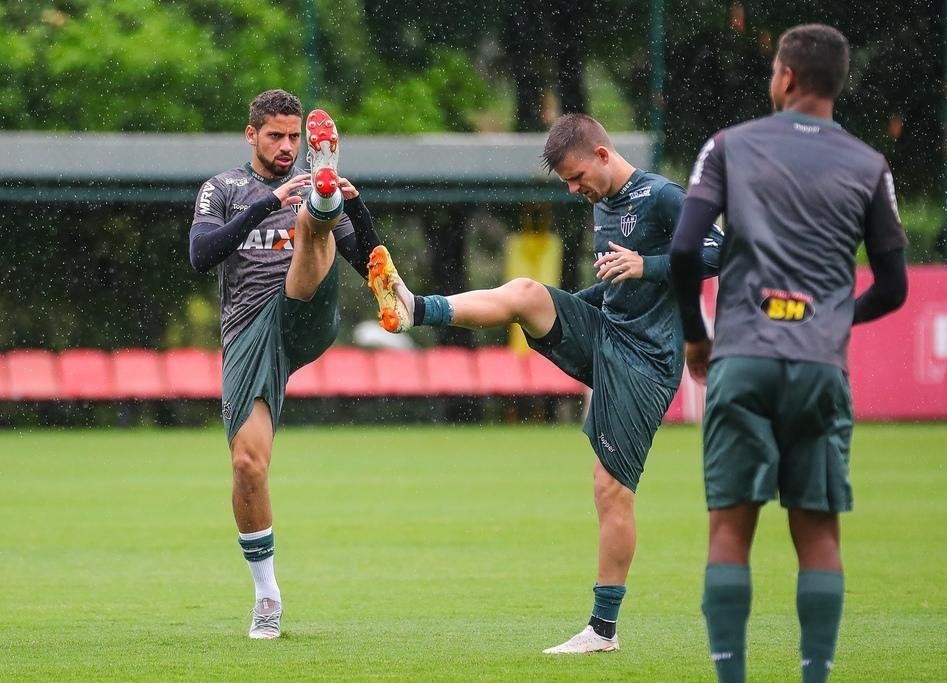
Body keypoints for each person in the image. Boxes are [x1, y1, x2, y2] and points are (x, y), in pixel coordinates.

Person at [366, 113, 723, 654]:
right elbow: (613, 290)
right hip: (607, 334)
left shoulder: (663, 197)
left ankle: (602, 631)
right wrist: (561, 314)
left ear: (604, 154)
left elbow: (722, 252)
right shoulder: (603, 203)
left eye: (578, 177)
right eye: (567, 183)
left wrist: (647, 266)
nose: (575, 190)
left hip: (647, 361)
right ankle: (417, 308)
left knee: (611, 490)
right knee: (530, 293)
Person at [669, 24, 908, 682]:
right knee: (818, 533)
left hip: (742, 355)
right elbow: (894, 286)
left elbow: (686, 249)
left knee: (729, 530)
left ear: (788, 78)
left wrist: (696, 333)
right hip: (818, 366)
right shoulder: (869, 164)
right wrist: (833, 320)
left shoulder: (728, 147)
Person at [189, 89, 387, 639]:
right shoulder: (224, 189)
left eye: (295, 137)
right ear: (251, 135)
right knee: (248, 466)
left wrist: (353, 204)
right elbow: (201, 255)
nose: (286, 146)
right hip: (249, 333)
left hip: (304, 312)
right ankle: (267, 597)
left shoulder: (301, 184)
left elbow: (369, 257)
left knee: (316, 222)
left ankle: (326, 204)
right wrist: (268, 203)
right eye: (275, 136)